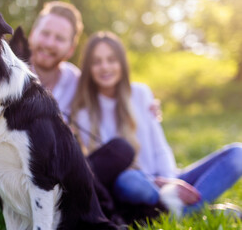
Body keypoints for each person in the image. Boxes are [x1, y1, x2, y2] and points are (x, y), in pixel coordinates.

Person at [0, 2, 134, 224]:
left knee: (119, 149)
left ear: (70, 49)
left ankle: (86, 205)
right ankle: (5, 201)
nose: (50, 42)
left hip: (62, 169)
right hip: (6, 166)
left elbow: (111, 108)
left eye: (59, 38)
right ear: (32, 34)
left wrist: (146, 107)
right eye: (46, 33)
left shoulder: (77, 82)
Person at [70, 31, 242, 218]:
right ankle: (193, 212)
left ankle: (178, 212)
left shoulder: (141, 93)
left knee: (237, 155)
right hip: (136, 186)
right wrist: (158, 183)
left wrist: (170, 182)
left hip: (168, 178)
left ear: (121, 63)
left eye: (111, 60)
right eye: (97, 62)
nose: (105, 67)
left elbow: (160, 147)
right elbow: (115, 167)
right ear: (88, 68)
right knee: (129, 181)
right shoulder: (85, 113)